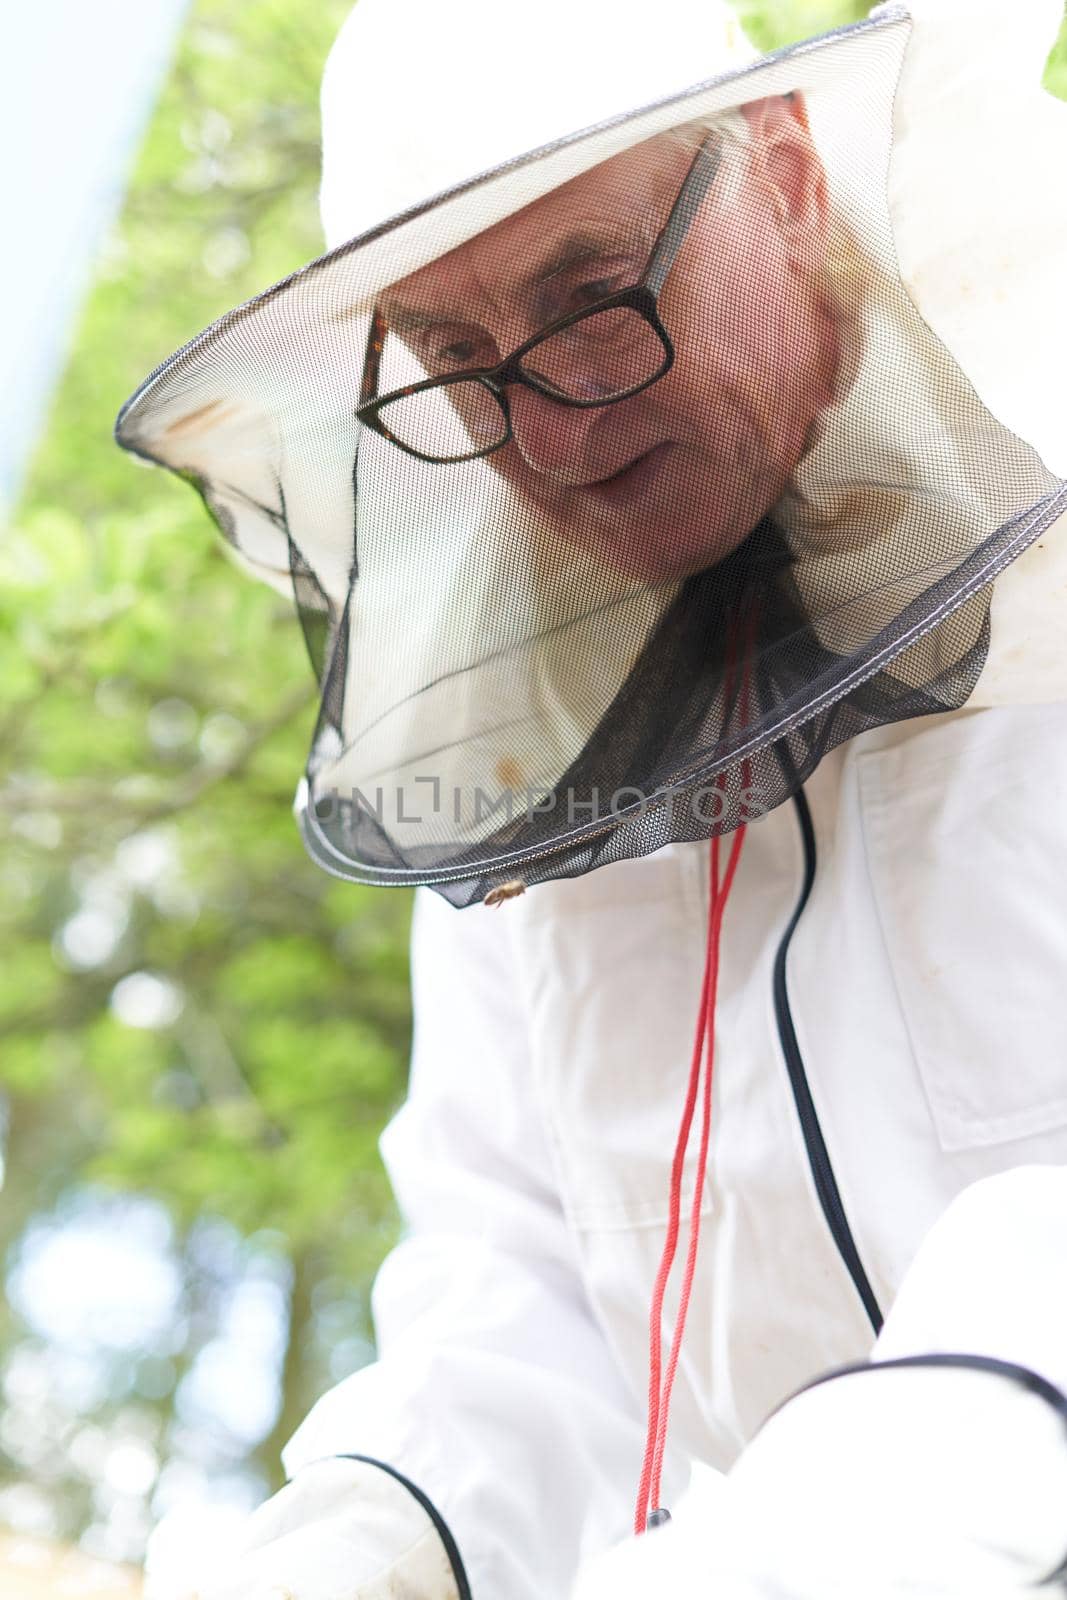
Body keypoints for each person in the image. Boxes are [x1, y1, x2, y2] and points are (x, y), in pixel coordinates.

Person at [118, 0, 1067, 1595]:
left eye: (594, 297)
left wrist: (834, 1525)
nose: (550, 426)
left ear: (787, 179)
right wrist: (363, 1536)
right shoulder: (510, 752)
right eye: (455, 358)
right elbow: (515, 1283)